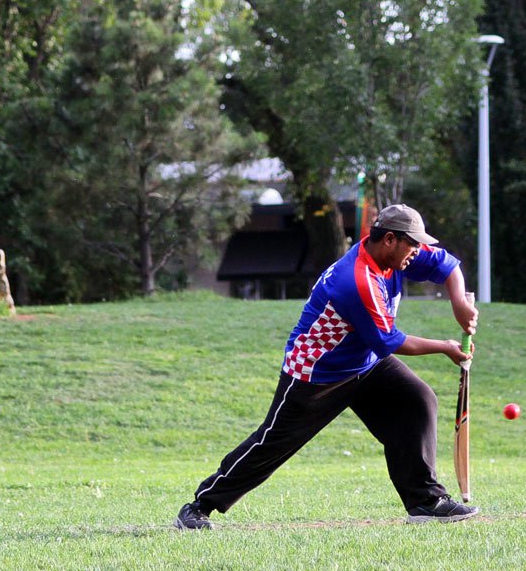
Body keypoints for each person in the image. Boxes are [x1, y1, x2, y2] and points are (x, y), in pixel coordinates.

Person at [175, 204, 478, 529]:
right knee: (271, 445)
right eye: (413, 244)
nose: (417, 251)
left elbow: (448, 265)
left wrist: (459, 302)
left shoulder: (397, 255)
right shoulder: (357, 280)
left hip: (364, 363)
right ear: (390, 239)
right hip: (316, 373)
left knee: (416, 400)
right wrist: (446, 347)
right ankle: (199, 506)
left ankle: (425, 502)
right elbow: (388, 341)